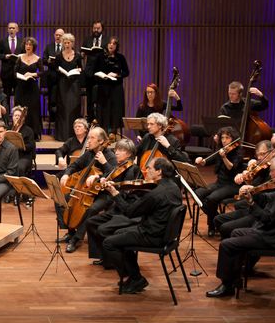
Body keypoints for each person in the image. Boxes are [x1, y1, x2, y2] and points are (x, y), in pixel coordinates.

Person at [206, 156, 275, 298]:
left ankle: (227, 286)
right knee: (236, 232)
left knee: (227, 245)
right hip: (272, 231)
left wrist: (251, 203)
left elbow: (266, 219)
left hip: (273, 237)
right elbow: (269, 198)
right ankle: (235, 278)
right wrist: (254, 191)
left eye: (272, 171)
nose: (269, 174)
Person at [102, 157, 182, 294]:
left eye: (150, 168)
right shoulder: (174, 187)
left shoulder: (156, 194)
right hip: (166, 234)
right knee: (118, 235)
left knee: (108, 243)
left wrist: (115, 193)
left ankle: (135, 277)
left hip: (152, 235)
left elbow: (129, 212)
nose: (146, 170)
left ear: (159, 172)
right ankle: (134, 277)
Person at [58, 126, 117, 252]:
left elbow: (114, 175)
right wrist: (66, 174)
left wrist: (103, 164)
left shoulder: (110, 156)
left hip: (103, 193)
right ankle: (71, 231)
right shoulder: (89, 154)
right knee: (64, 199)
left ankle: (76, 239)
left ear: (101, 141)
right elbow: (75, 165)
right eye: (88, 137)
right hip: (86, 191)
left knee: (92, 209)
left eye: (92, 138)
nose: (88, 141)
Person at [85, 137, 142, 264]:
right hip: (116, 206)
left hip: (123, 210)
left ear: (129, 153)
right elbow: (110, 176)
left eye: (120, 150)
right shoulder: (119, 166)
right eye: (116, 149)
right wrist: (101, 178)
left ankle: (111, 257)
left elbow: (126, 193)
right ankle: (103, 255)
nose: (116, 152)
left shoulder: (132, 169)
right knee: (91, 222)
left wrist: (113, 186)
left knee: (100, 226)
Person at [215, 139, 273, 238]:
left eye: (262, 154)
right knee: (218, 219)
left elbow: (266, 195)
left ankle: (233, 244)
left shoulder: (274, 171)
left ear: (272, 153)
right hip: (252, 206)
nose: (259, 157)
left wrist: (251, 189)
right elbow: (253, 186)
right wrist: (246, 179)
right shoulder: (261, 168)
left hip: (260, 212)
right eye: (257, 155)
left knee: (225, 227)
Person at [194, 126, 245, 236]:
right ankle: (217, 220)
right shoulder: (221, 150)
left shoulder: (238, 152)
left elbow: (231, 168)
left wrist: (224, 157)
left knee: (211, 198)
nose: (224, 140)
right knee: (197, 193)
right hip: (220, 183)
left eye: (227, 137)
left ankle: (212, 225)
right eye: (222, 138)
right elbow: (206, 162)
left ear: (233, 138)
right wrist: (201, 161)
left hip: (232, 185)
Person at [93, 37, 129, 135]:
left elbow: (126, 72)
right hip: (103, 86)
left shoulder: (120, 57)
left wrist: (117, 75)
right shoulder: (100, 56)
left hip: (116, 87)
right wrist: (101, 76)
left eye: (114, 43)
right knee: (104, 109)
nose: (111, 45)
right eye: (109, 43)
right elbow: (94, 71)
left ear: (116, 46)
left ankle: (113, 133)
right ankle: (103, 133)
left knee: (115, 109)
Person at [52, 33, 82, 141]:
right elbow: (55, 69)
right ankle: (62, 136)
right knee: (63, 109)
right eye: (65, 42)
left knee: (73, 109)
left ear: (72, 43)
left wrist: (79, 70)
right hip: (63, 84)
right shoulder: (59, 55)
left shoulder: (77, 55)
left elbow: (81, 68)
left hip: (74, 84)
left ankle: (74, 135)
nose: (67, 44)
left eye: (69, 42)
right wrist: (60, 71)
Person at [13, 36, 43, 136]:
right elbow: (14, 72)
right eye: (26, 44)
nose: (28, 46)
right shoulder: (19, 57)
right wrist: (21, 76)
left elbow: (42, 72)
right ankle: (19, 131)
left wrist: (32, 74)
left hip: (32, 87)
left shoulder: (38, 58)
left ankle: (34, 133)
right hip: (21, 87)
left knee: (33, 110)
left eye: (30, 44)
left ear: (33, 46)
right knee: (20, 109)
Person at [82, 20, 106, 120]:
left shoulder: (107, 39)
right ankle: (90, 119)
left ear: (102, 29)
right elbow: (82, 51)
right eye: (94, 28)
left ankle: (101, 119)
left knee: (101, 97)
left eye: (98, 28)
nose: (96, 30)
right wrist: (83, 54)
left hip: (102, 72)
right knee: (90, 98)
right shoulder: (88, 39)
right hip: (90, 72)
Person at [0, 21, 21, 98]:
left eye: (13, 28)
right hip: (6, 73)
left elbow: (25, 55)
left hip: (18, 72)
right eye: (10, 28)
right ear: (7, 30)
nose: (11, 30)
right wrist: (5, 56)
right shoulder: (2, 41)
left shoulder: (22, 41)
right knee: (6, 96)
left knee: (18, 96)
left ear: (17, 30)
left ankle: (18, 110)